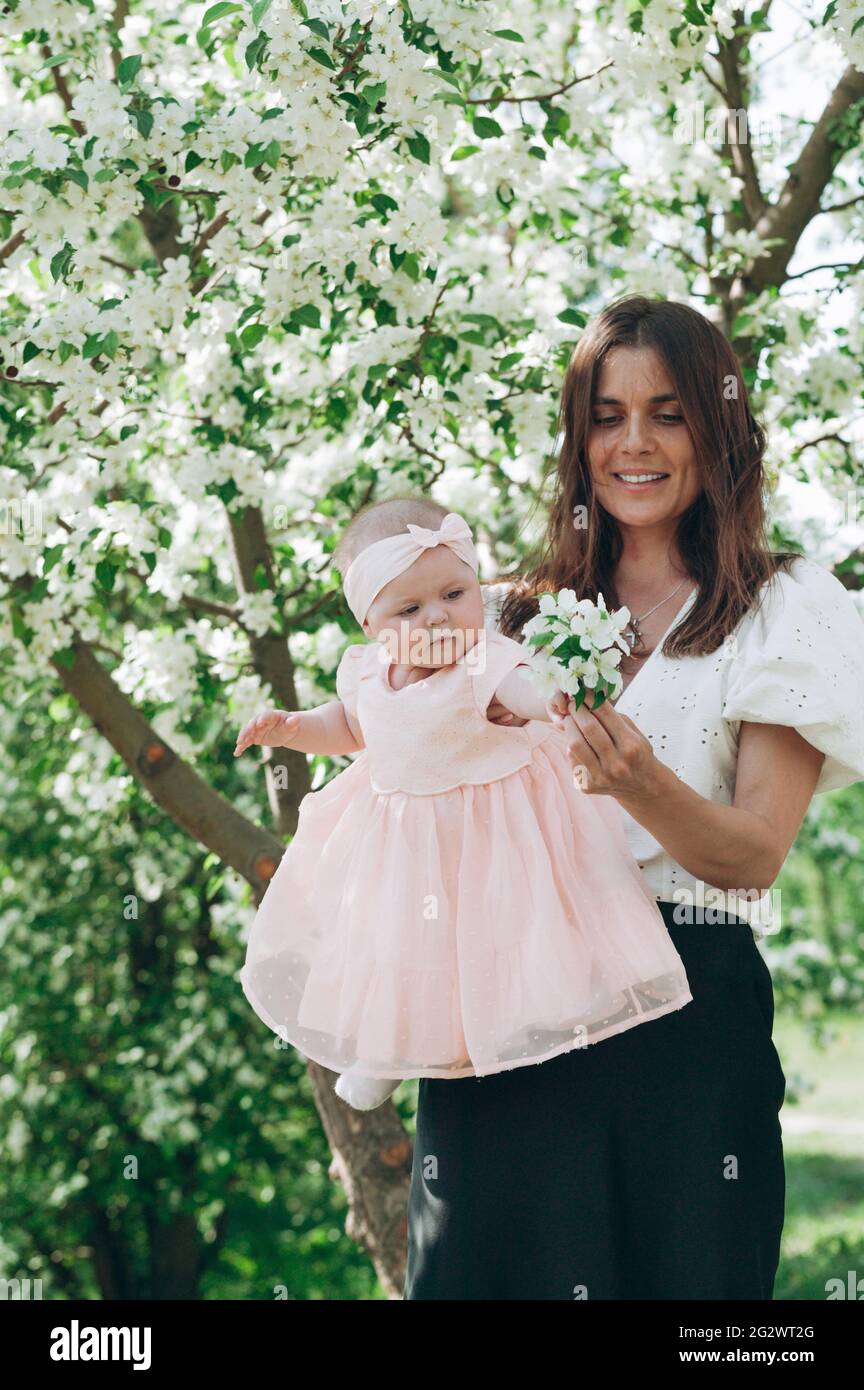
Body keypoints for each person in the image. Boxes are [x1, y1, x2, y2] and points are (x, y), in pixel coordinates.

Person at [403, 294, 864, 1300]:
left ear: (718, 424)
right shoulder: (504, 615)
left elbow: (753, 854)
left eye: (668, 412)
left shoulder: (777, 609)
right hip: (504, 1008)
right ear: (579, 439)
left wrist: (643, 782)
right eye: (607, 417)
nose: (634, 444)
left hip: (686, 1021)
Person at [235, 501, 693, 1112]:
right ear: (371, 625)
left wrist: (555, 694)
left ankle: (543, 1013)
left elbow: (522, 690)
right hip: (409, 842)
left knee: (509, 934)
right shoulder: (370, 674)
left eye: (455, 594)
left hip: (498, 832)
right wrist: (293, 728)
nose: (438, 618)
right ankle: (385, 1052)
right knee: (399, 945)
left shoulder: (484, 660)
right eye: (410, 609)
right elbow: (347, 725)